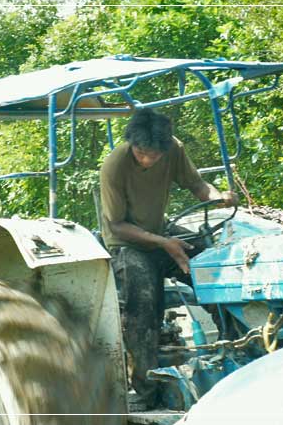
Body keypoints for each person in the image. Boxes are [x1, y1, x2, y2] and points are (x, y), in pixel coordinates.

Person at [100, 108, 238, 409]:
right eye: (141, 153)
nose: (147, 160)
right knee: (143, 308)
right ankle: (145, 392)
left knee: (211, 268)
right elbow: (117, 225)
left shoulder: (173, 149)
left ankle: (235, 353)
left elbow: (198, 186)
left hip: (162, 232)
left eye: (154, 155)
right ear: (132, 143)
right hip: (127, 243)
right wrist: (164, 243)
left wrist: (218, 197)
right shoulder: (114, 166)